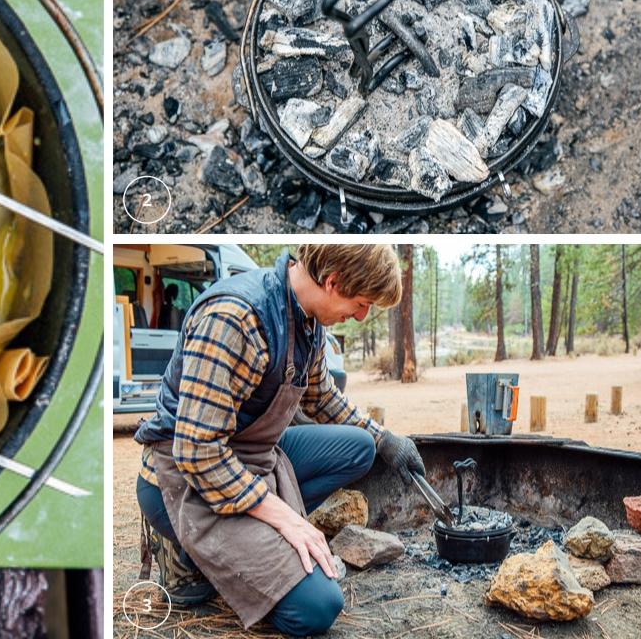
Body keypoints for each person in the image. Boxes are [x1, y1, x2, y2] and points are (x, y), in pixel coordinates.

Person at [134, 245, 427, 637]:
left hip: (252, 458)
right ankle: (187, 548)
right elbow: (197, 452)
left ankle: (248, 544)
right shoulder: (235, 320)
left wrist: (385, 440)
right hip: (185, 480)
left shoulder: (308, 320)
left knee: (359, 448)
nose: (361, 316)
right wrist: (289, 520)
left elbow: (322, 397)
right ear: (332, 282)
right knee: (318, 607)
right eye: (361, 304)